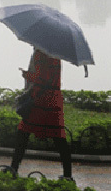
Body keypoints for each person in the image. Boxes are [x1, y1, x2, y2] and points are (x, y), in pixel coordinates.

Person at [10, 48, 73, 182]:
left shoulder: (40, 54)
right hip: (54, 100)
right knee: (59, 138)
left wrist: (27, 75)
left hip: (40, 100)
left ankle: (13, 169)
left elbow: (42, 79)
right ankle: (68, 175)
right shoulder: (56, 55)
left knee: (23, 133)